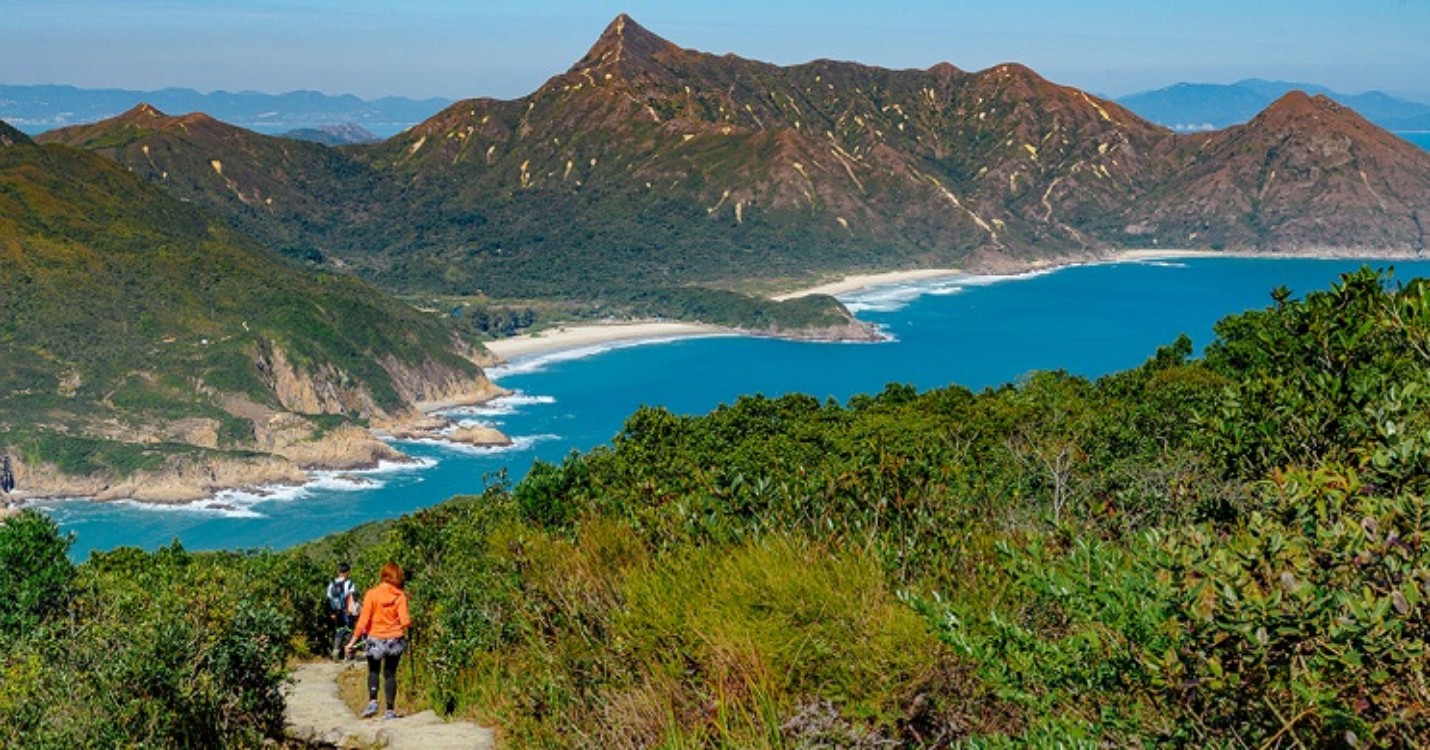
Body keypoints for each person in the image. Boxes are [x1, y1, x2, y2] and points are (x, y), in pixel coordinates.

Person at [346, 561, 411, 720]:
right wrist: (409, 622)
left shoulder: (371, 594)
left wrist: (352, 642)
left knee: (373, 671)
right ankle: (389, 711)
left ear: (383, 575)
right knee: (390, 674)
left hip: (375, 639)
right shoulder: (400, 596)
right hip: (395, 639)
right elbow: (405, 622)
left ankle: (373, 702)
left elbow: (363, 621)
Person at [326, 563, 358, 661]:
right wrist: (351, 611)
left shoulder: (331, 584)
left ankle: (336, 650)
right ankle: (348, 655)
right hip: (347, 611)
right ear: (347, 572)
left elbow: (328, 599)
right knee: (349, 632)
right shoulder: (350, 583)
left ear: (338, 571)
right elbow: (351, 597)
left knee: (339, 631)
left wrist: (331, 613)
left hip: (336, 612)